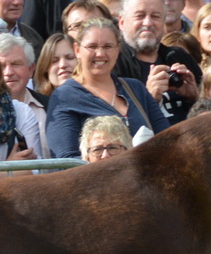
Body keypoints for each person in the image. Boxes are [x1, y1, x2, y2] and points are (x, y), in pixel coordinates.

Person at [44, 16, 167, 156]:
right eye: (92, 46)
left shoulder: (136, 88)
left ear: (118, 49)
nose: (100, 54)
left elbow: (166, 138)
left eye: (108, 46)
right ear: (77, 50)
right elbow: (66, 160)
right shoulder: (64, 97)